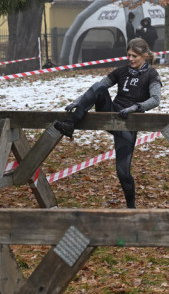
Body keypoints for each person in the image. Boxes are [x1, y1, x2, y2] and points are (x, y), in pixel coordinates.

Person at [53, 38, 162, 208]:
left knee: (123, 173)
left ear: (145, 56)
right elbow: (98, 86)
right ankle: (70, 124)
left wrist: (136, 107)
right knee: (99, 87)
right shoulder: (122, 71)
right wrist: (78, 101)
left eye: (134, 56)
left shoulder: (152, 74)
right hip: (110, 113)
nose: (130, 59)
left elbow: (155, 99)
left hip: (128, 123)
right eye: (128, 55)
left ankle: (131, 208)